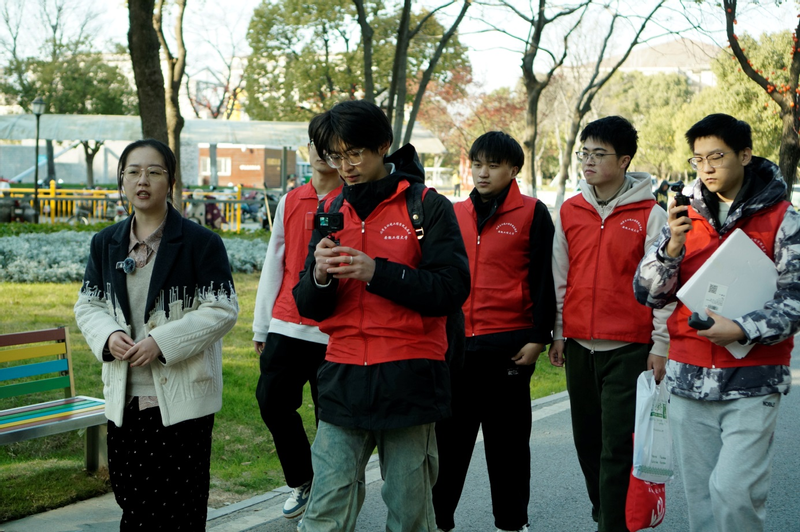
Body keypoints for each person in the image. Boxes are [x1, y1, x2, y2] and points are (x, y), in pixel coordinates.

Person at [292, 100, 470, 532]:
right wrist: (319, 275)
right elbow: (308, 306)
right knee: (325, 510)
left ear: (383, 145)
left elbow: (451, 289)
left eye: (354, 153)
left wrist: (378, 273)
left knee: (409, 512)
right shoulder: (330, 210)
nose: (345, 167)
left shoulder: (426, 205)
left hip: (411, 376)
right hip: (342, 374)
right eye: (335, 156)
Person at [634, 113, 800, 532]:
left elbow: (795, 300)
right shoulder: (682, 214)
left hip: (753, 379)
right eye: (698, 159)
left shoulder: (783, 218)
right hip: (688, 379)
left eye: (717, 156)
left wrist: (741, 329)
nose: (706, 168)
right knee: (702, 501)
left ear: (744, 155)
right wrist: (671, 248)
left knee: (734, 493)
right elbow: (648, 293)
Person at [73, 139, 239, 530]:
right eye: (132, 172)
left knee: (181, 510)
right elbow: (88, 305)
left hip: (181, 402)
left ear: (171, 181)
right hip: (125, 400)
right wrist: (109, 336)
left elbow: (222, 309)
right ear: (122, 181)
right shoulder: (106, 243)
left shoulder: (200, 243)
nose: (142, 180)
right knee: (132, 505)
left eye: (154, 172)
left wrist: (161, 343)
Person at [548, 116, 670, 532]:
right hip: (579, 345)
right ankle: (606, 511)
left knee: (617, 445)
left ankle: (612, 524)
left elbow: (663, 286)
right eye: (585, 153)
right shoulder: (570, 210)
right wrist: (559, 332)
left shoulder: (651, 214)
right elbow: (560, 276)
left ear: (624, 161)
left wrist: (660, 344)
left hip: (630, 347)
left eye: (599, 154)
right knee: (588, 442)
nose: (589, 161)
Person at [432, 131, 555, 532]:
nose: (483, 173)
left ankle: (511, 524)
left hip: (509, 348)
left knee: (508, 447)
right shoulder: (453, 213)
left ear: (513, 169)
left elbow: (544, 279)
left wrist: (539, 336)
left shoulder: (533, 213)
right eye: (478, 164)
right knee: (448, 445)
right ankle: (437, 522)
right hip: (457, 349)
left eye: (494, 165)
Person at [252, 120, 342, 519]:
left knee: (330, 417)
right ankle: (304, 480)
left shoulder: (352, 200)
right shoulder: (291, 200)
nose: (322, 152)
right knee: (271, 402)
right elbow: (274, 261)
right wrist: (262, 325)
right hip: (286, 325)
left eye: (330, 145)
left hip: (333, 331)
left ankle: (331, 490)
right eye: (315, 145)